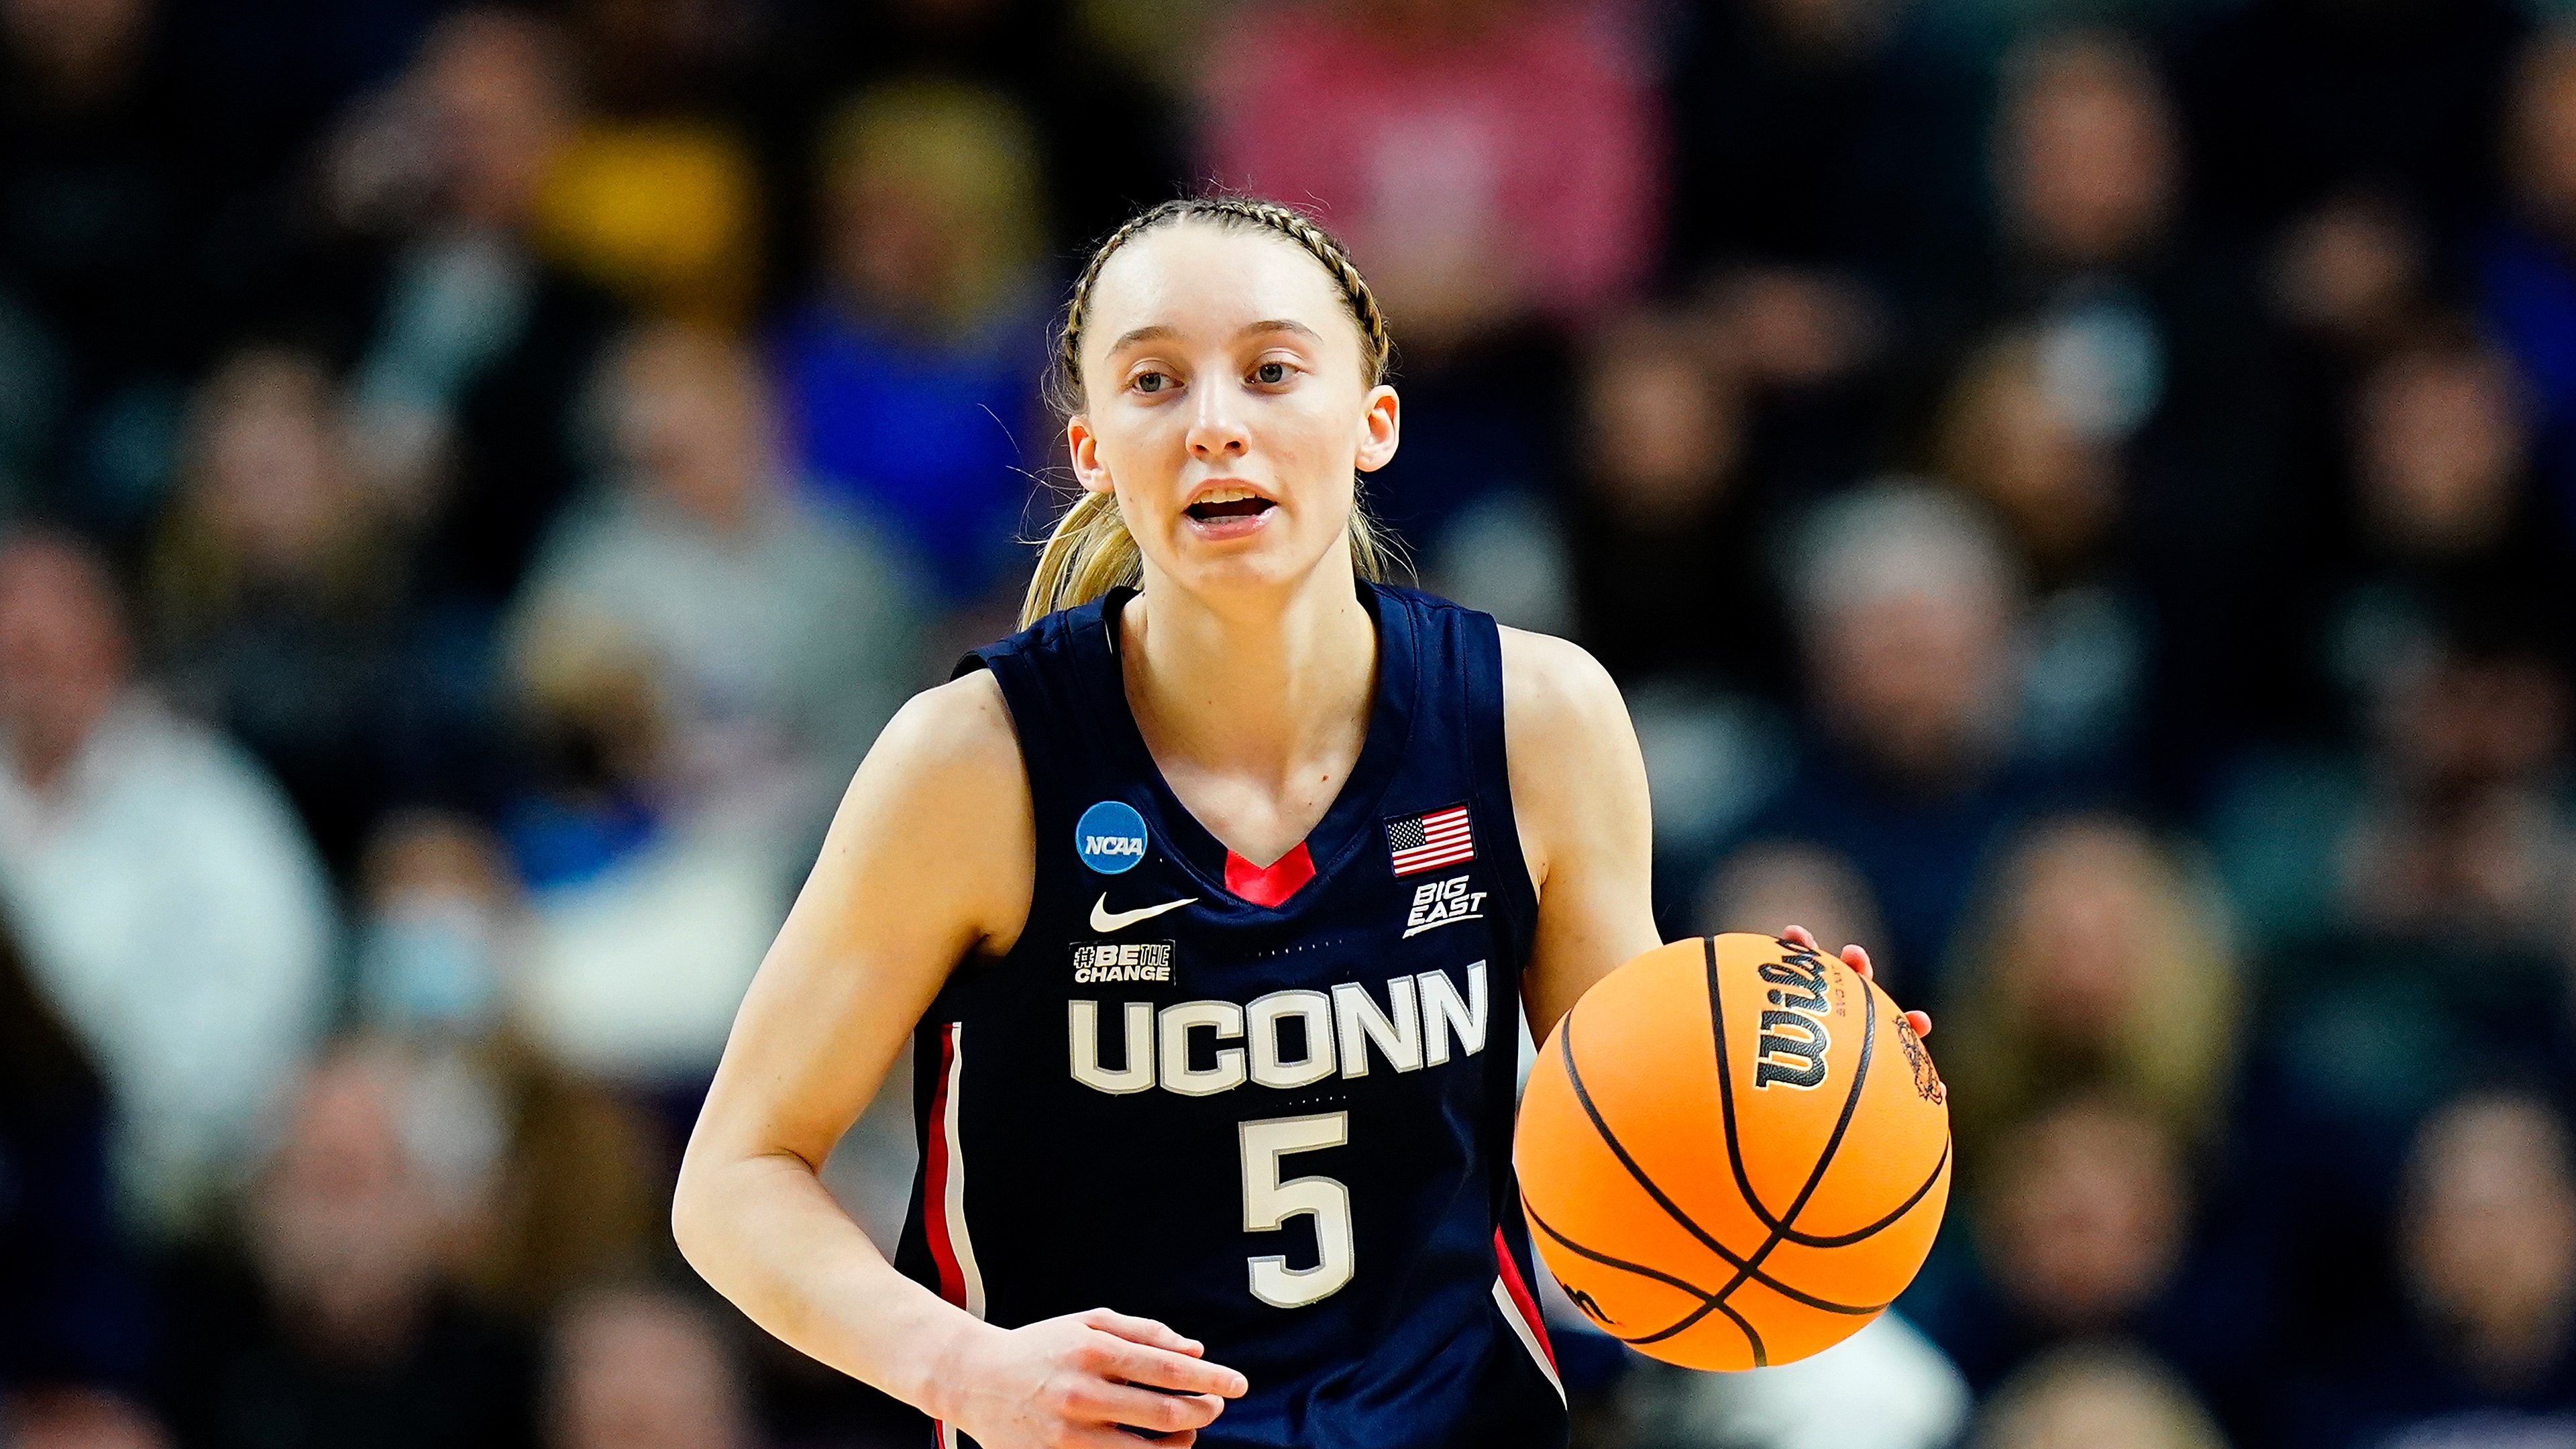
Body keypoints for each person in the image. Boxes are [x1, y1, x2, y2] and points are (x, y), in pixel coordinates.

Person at [672, 196, 1926, 1447]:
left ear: (1372, 421)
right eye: (1155, 381)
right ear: (1094, 447)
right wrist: (962, 1370)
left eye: (1272, 371)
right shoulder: (975, 762)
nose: (1216, 425)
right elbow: (735, 1179)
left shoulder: (1536, 723)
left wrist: (1800, 1092)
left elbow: (1643, 1177)